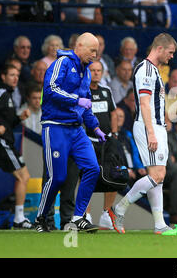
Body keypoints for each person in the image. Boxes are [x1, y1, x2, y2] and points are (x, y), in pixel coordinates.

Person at [34, 32, 107, 233]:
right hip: (55, 126)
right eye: (92, 50)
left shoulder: (87, 72)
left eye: (97, 51)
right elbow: (50, 89)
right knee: (57, 177)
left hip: (76, 130)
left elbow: (87, 106)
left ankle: (77, 217)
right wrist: (76, 99)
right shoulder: (62, 63)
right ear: (80, 46)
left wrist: (95, 127)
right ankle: (41, 218)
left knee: (92, 168)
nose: (95, 54)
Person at [108, 33, 177, 234]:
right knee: (158, 174)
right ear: (160, 49)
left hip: (156, 125)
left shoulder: (153, 70)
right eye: (170, 52)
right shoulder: (146, 70)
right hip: (149, 126)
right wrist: (151, 133)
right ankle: (119, 208)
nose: (171, 57)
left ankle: (159, 225)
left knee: (158, 177)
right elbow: (145, 104)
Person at [0, 64, 33, 229]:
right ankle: (19, 217)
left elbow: (7, 123)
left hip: (5, 140)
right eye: (11, 74)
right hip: (1, 142)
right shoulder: (1, 92)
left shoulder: (9, 95)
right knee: (23, 176)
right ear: (3, 76)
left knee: (23, 176)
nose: (15, 78)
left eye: (17, 75)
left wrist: (19, 118)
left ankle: (19, 216)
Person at [86, 60, 119, 229]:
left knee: (112, 175)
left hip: (106, 141)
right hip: (88, 141)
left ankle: (106, 213)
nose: (96, 73)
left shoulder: (106, 91)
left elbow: (113, 113)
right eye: (93, 70)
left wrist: (114, 134)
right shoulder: (82, 92)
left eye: (99, 70)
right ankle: (87, 214)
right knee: (88, 177)